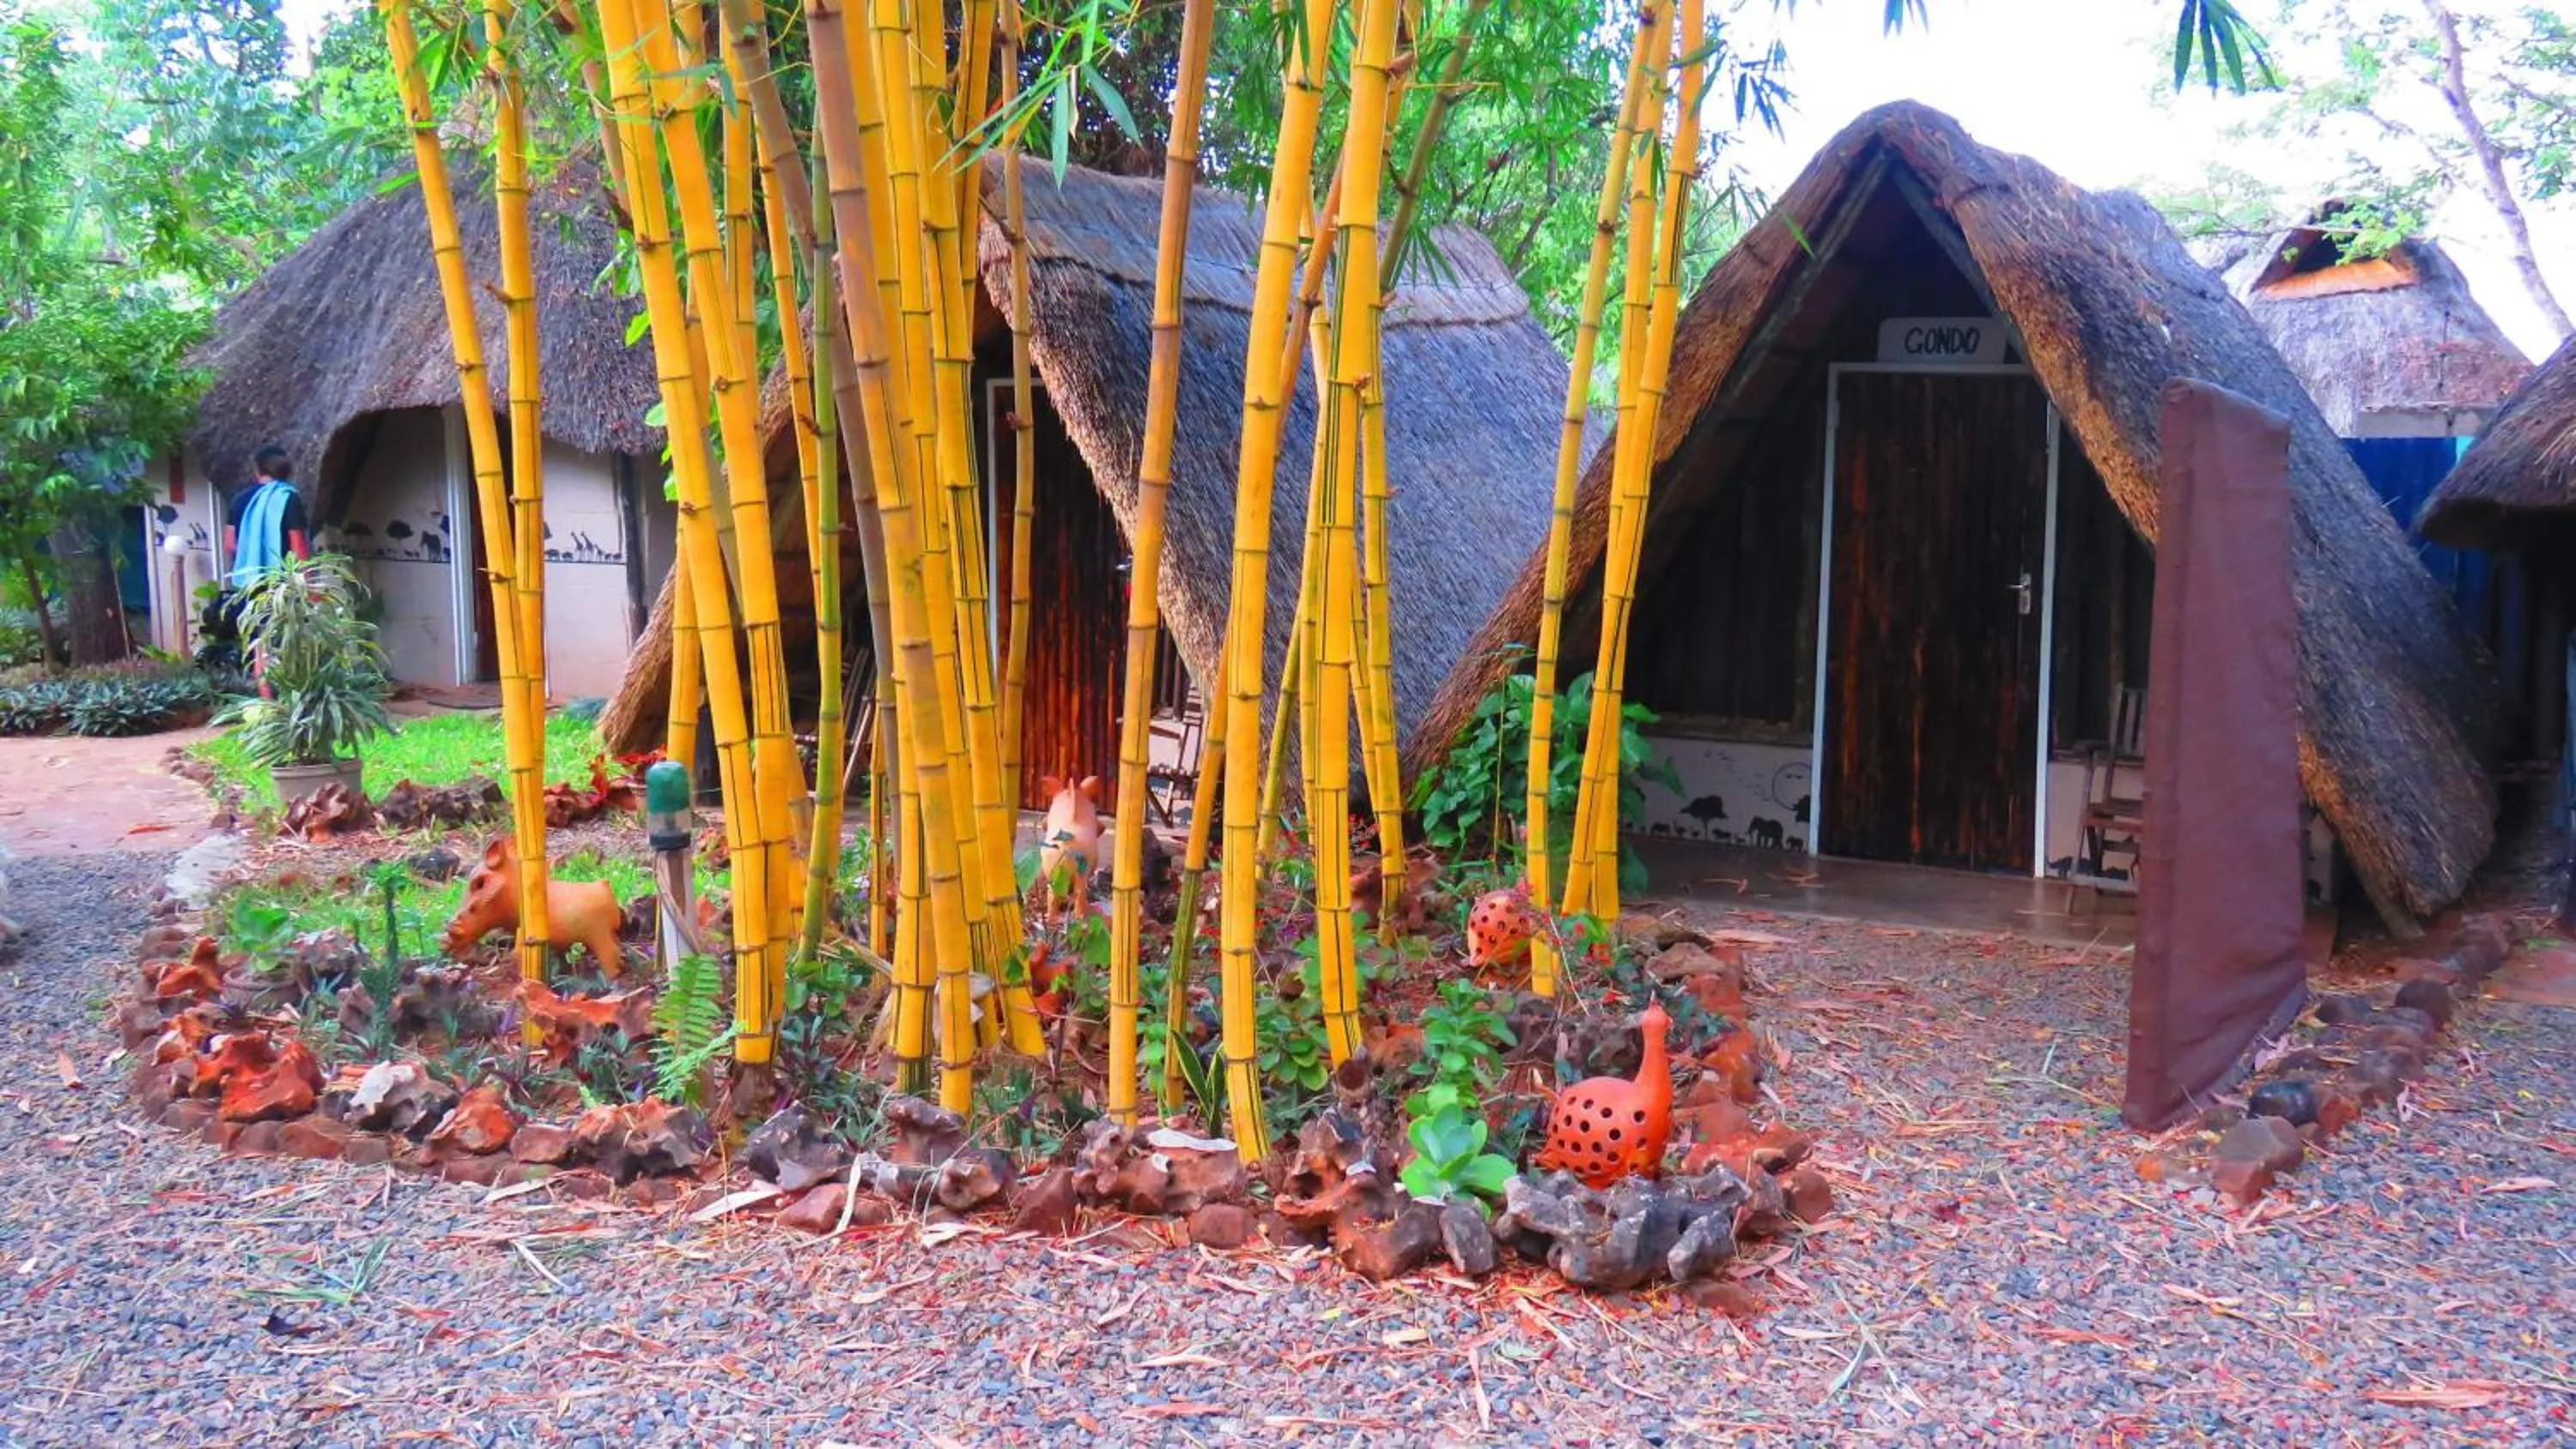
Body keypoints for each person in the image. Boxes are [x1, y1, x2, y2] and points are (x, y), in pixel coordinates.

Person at [224, 445, 310, 587]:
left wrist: (253, 558)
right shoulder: (288, 497)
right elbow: (298, 546)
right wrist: (307, 584)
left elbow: (230, 544)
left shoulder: (238, 500)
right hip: (282, 585)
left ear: (258, 469)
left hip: (248, 583)